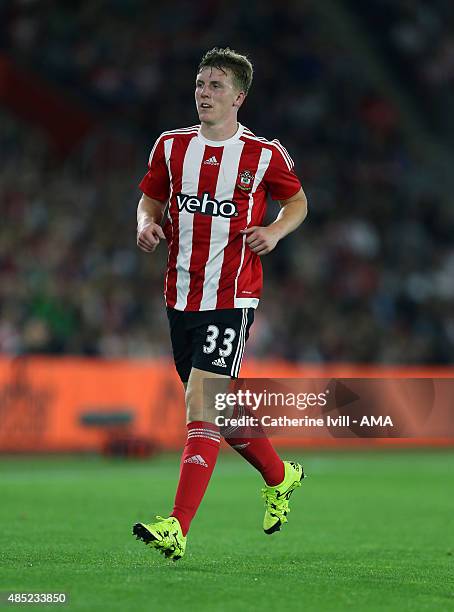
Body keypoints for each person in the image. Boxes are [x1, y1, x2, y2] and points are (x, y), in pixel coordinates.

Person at [133, 47, 308, 560]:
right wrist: (145, 224)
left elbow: (297, 202)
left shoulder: (263, 155)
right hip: (180, 296)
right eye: (200, 83)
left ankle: (177, 527)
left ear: (239, 97)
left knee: (202, 404)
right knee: (221, 413)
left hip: (232, 295)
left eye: (215, 86)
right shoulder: (170, 147)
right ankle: (281, 476)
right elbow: (149, 199)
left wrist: (274, 232)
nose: (203, 93)